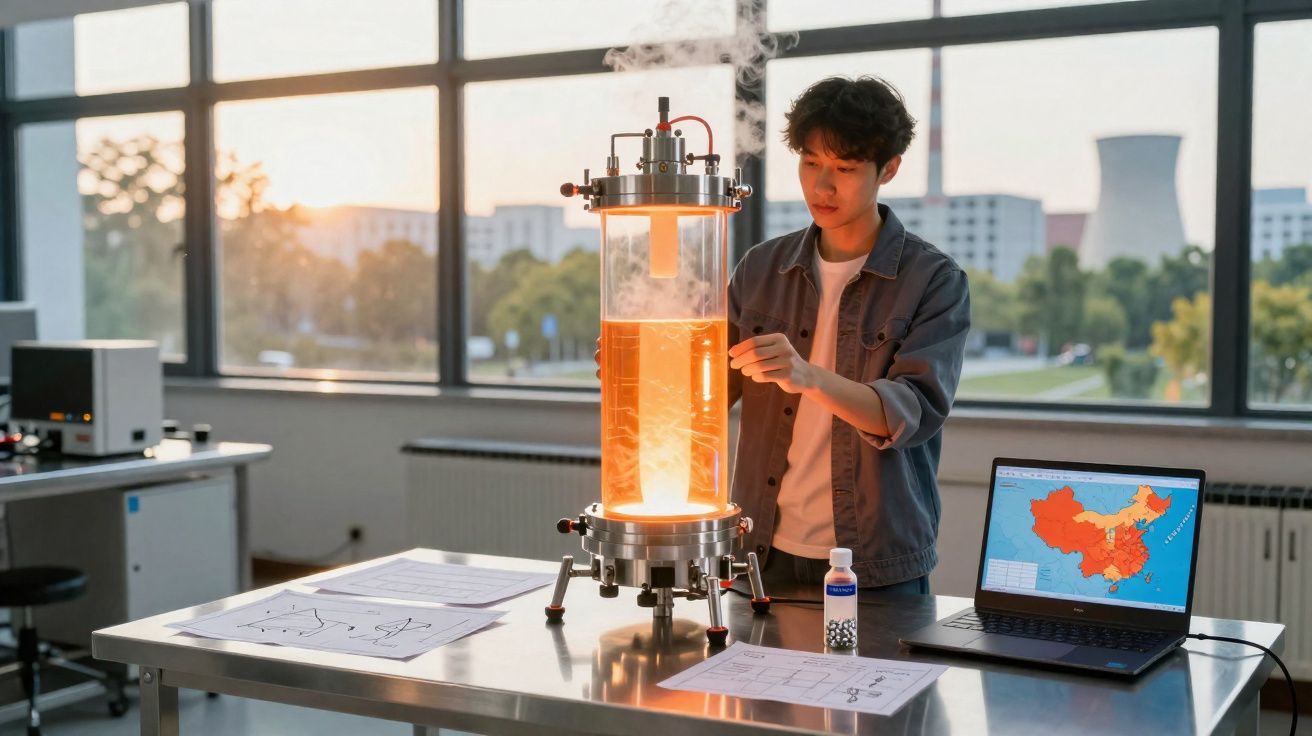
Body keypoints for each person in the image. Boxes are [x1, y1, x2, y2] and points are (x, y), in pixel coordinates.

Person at [726, 76, 970, 594]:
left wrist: (807, 375)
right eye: (811, 163)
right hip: (758, 557)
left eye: (845, 168)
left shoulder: (934, 280)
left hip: (875, 567)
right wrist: (640, 371)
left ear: (890, 168)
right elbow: (706, 391)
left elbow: (907, 413)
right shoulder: (761, 268)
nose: (822, 186)